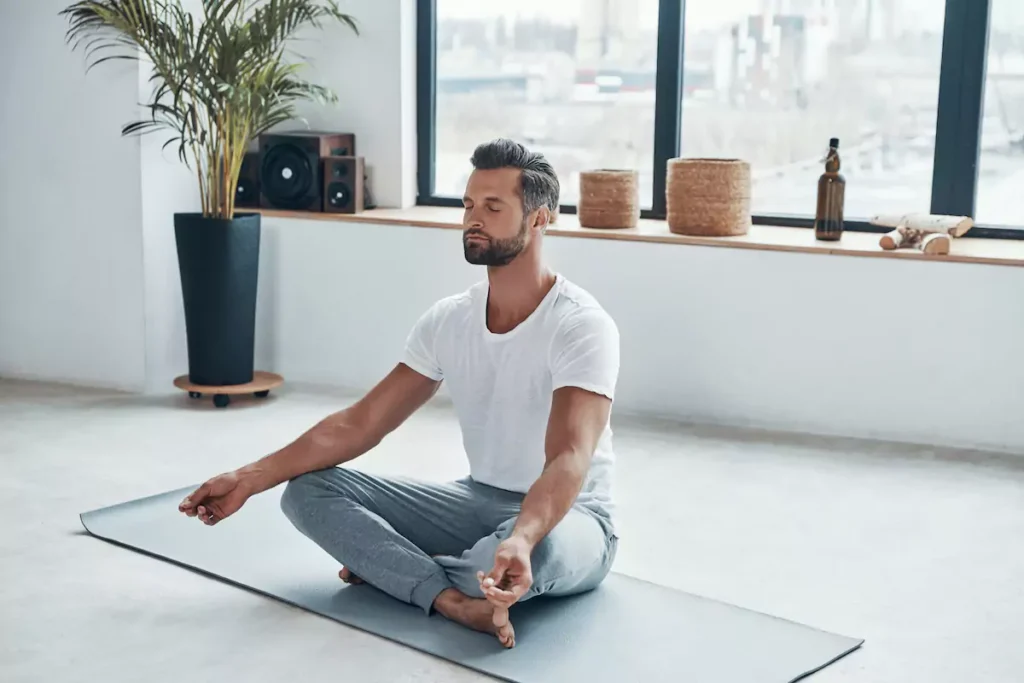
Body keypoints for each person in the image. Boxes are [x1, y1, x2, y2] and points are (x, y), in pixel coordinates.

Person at [178, 138, 621, 649]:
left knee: (534, 554)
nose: (474, 218)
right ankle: (453, 600)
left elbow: (569, 456)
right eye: (469, 205)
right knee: (305, 491)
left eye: (494, 207)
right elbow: (360, 424)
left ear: (541, 219)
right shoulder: (449, 319)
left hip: (573, 519)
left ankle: (402, 570)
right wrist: (248, 478)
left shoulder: (581, 325)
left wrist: (520, 539)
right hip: (475, 501)